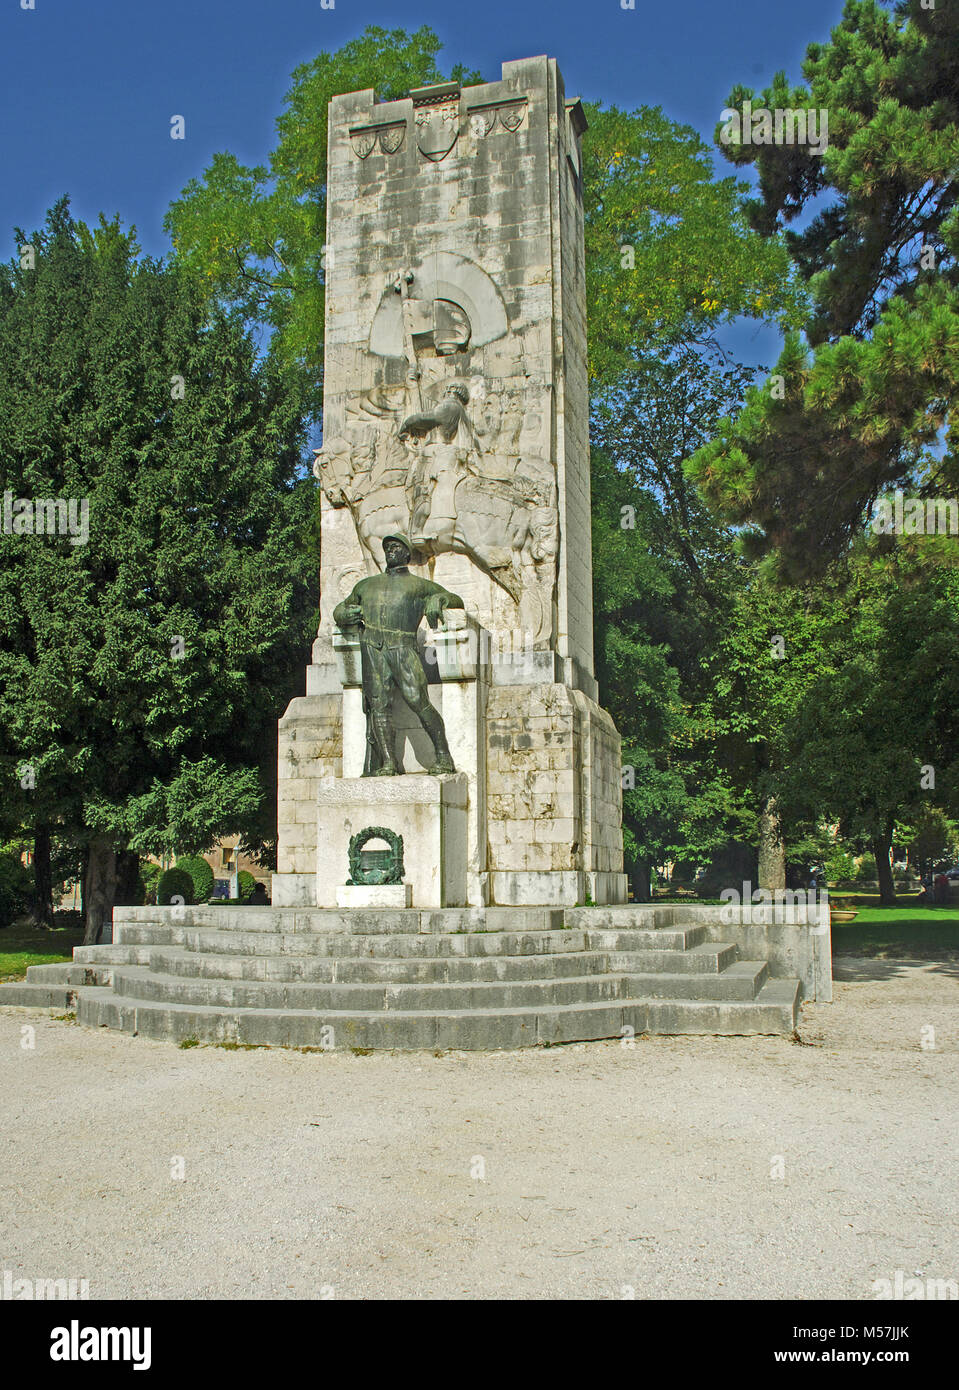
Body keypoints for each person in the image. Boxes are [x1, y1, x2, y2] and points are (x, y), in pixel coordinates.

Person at [333, 534, 464, 776]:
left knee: (419, 701)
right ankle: (388, 763)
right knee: (379, 706)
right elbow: (341, 607)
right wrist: (341, 614)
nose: (390, 551)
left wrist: (440, 598)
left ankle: (443, 756)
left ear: (406, 554)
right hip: (373, 648)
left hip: (403, 648)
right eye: (387, 548)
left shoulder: (419, 585)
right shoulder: (366, 585)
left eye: (396, 547)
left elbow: (456, 599)